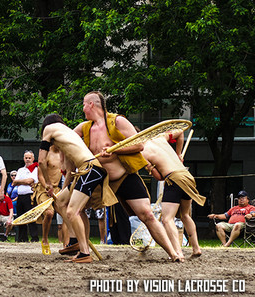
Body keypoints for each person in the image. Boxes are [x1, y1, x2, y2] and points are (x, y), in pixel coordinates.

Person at [73, 91, 179, 262]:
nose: (83, 108)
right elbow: (65, 139)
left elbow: (140, 144)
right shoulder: (84, 128)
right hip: (99, 180)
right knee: (74, 209)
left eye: (84, 104)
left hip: (123, 176)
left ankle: (173, 253)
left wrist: (114, 149)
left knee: (147, 215)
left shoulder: (118, 121)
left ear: (92, 104)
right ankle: (81, 250)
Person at [40, 113, 116, 263]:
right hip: (87, 170)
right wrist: (63, 191)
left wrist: (48, 184)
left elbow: (41, 161)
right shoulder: (68, 135)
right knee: (61, 202)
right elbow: (69, 171)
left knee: (72, 211)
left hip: (89, 169)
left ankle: (84, 252)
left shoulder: (49, 128)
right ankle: (76, 241)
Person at [142, 130, 206, 259]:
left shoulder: (142, 153)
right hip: (187, 176)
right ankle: (196, 248)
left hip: (173, 178)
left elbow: (159, 177)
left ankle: (178, 252)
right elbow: (180, 133)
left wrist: (153, 168)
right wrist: (178, 155)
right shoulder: (160, 137)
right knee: (185, 215)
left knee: (167, 218)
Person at [33, 145, 64, 254]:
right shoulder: (45, 153)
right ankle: (45, 240)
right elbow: (40, 175)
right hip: (44, 188)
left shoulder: (64, 153)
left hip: (58, 189)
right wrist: (47, 186)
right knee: (50, 213)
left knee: (68, 215)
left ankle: (68, 244)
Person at [13, 150, 39, 242]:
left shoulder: (36, 169)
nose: (28, 160)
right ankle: (22, 237)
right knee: (21, 217)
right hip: (20, 196)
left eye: (29, 158)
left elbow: (30, 181)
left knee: (31, 217)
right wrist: (24, 181)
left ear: (33, 159)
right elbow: (14, 182)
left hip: (30, 195)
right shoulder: (20, 170)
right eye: (26, 158)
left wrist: (21, 181)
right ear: (24, 159)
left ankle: (34, 237)